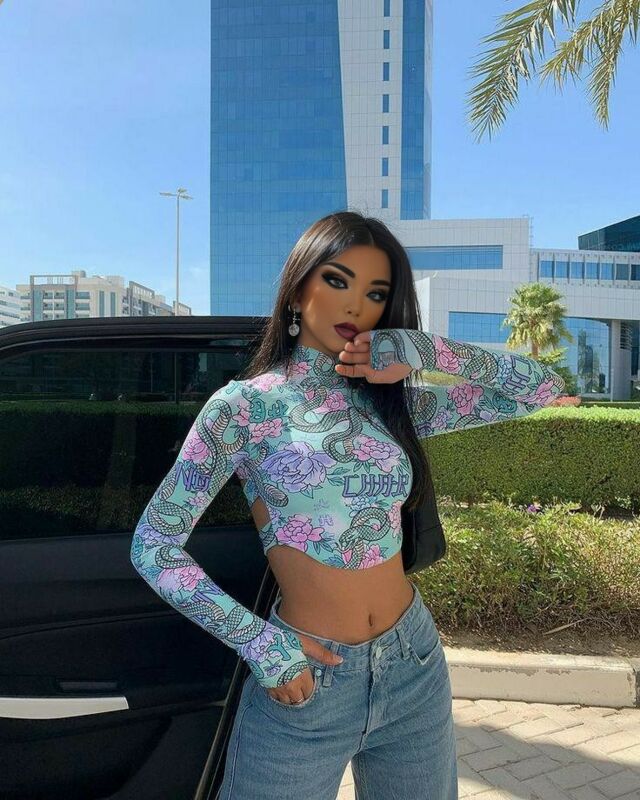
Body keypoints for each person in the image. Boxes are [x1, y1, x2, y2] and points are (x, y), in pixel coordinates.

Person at [130, 211, 565, 799]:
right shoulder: (244, 408)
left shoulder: (392, 404)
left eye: (376, 293)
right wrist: (259, 642)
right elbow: (154, 545)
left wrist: (423, 349)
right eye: (337, 280)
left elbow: (541, 387)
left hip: (412, 663)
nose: (356, 305)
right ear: (297, 289)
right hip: (306, 677)